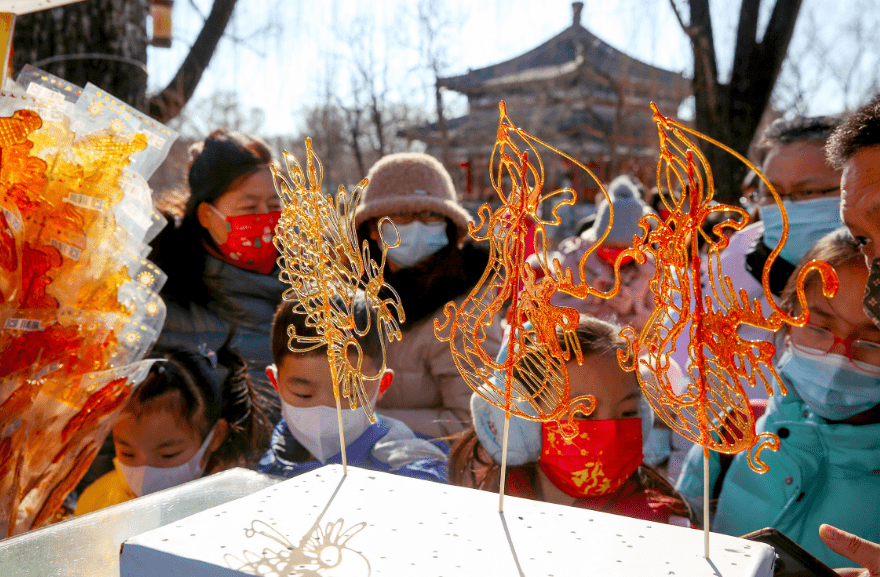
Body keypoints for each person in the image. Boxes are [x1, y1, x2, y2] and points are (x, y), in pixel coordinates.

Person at [674, 228, 880, 568]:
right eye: (817, 328)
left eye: (871, 342)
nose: (838, 354)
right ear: (785, 324)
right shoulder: (729, 436)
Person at [448, 315, 693, 525]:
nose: (609, 435)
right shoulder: (492, 499)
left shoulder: (666, 529)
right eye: (582, 413)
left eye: (627, 413)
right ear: (523, 419)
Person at [353, 152, 502, 438]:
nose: (417, 225)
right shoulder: (349, 296)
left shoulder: (466, 311)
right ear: (372, 228)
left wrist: (362, 424)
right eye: (401, 214)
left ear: (449, 227)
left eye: (432, 215)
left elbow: (473, 422)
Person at [256, 295, 448, 482]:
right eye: (304, 394)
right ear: (276, 382)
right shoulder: (276, 458)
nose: (326, 411)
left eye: (350, 394)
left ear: (382, 385)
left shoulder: (411, 474)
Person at [149, 129, 285, 378]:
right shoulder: (164, 306)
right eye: (249, 207)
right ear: (206, 216)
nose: (265, 218)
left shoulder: (315, 290)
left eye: (275, 205)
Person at [75, 342, 269, 515]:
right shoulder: (97, 504)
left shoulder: (239, 508)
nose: (144, 477)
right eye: (128, 453)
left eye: (168, 454)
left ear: (216, 436)